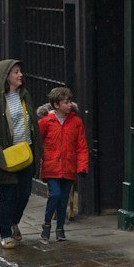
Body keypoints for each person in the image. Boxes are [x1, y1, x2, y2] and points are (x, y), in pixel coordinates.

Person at [0, 59, 37, 247]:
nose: (20, 75)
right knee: (7, 195)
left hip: (26, 152)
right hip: (8, 155)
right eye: (16, 72)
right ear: (6, 76)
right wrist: (0, 158)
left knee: (25, 193)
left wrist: (39, 151)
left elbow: (33, 124)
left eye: (20, 71)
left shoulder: (24, 95)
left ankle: (14, 221)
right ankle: (5, 234)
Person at [36, 86, 88, 242]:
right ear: (56, 105)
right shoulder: (46, 122)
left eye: (70, 101)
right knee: (55, 194)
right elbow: (38, 142)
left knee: (64, 198)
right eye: (66, 102)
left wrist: (82, 166)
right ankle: (46, 225)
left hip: (69, 166)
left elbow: (82, 146)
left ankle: (60, 228)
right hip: (51, 166)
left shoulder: (76, 122)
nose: (70, 105)